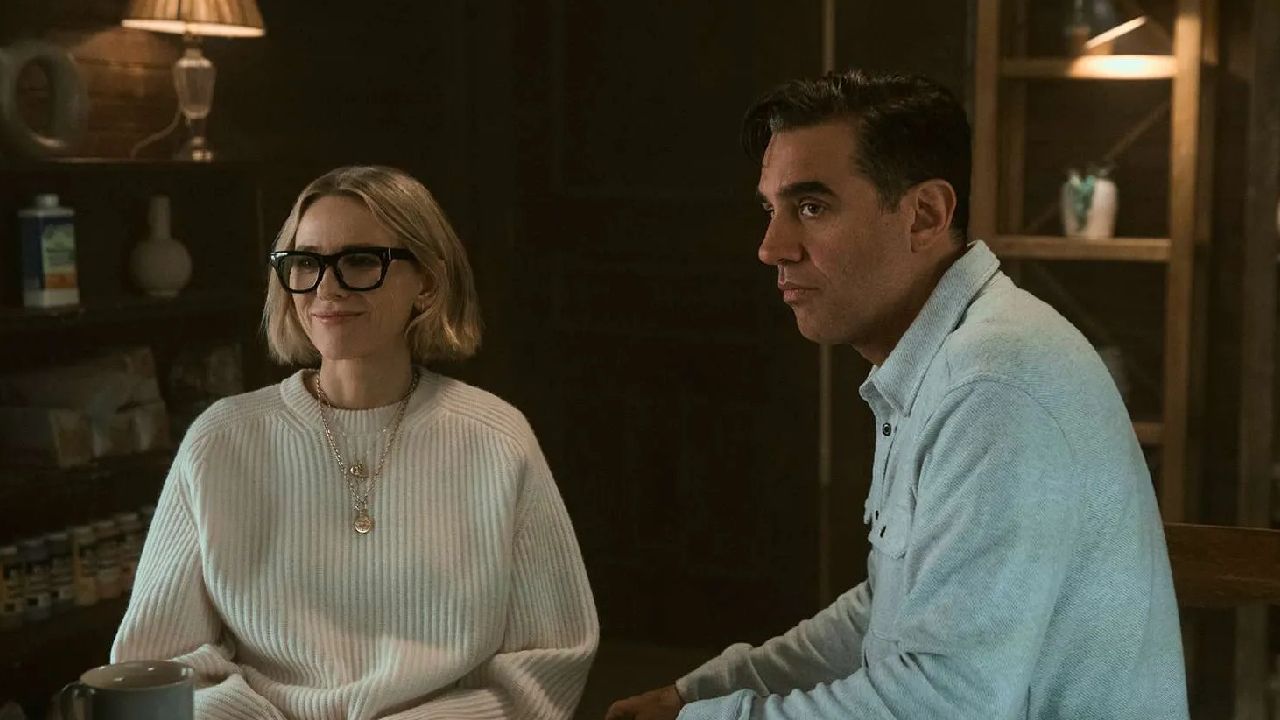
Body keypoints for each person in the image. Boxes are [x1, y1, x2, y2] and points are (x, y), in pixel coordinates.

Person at [606, 70, 1187, 720]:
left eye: (812, 207)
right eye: (771, 210)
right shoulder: (947, 356)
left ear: (925, 215)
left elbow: (944, 706)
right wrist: (700, 694)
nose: (772, 248)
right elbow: (887, 610)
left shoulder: (992, 386)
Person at [112, 165, 599, 720]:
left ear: (428, 282)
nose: (327, 287)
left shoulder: (496, 438)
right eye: (305, 263)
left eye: (362, 261)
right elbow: (156, 666)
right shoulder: (221, 440)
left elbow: (548, 663)